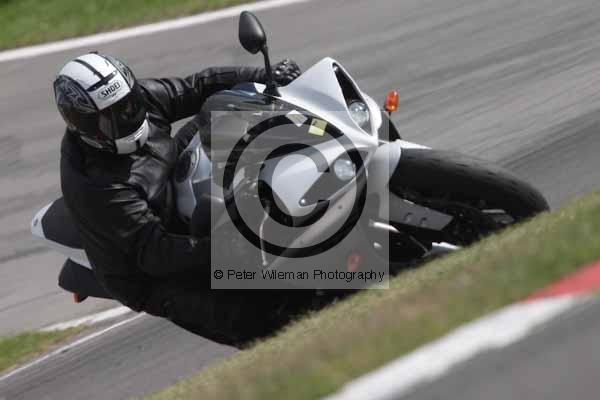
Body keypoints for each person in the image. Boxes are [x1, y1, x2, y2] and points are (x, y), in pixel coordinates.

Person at [55, 52, 302, 344]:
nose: (127, 117)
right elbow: (155, 253)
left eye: (129, 105)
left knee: (227, 106)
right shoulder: (97, 185)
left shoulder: (138, 99)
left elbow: (198, 85)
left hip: (169, 170)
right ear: (85, 126)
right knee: (259, 322)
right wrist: (223, 246)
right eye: (112, 117)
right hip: (149, 271)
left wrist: (264, 76)